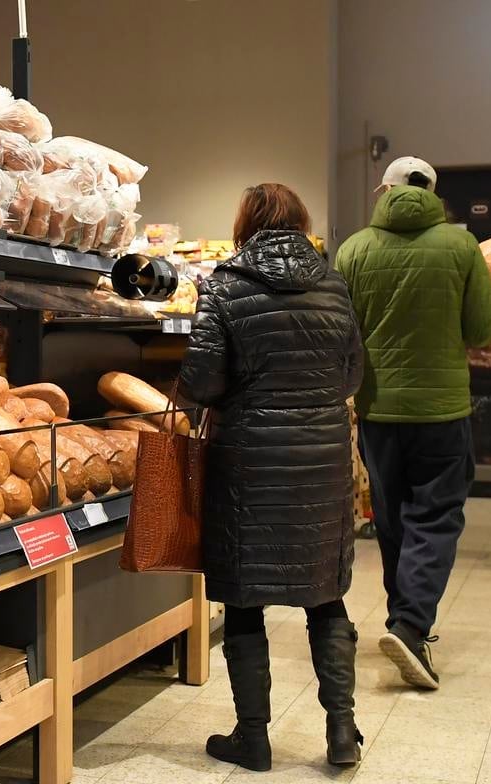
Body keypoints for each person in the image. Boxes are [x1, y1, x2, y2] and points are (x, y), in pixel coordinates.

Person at [180, 184, 364, 771]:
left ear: (245, 224)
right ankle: (340, 733)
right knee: (326, 597)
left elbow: (201, 382)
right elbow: (353, 373)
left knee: (243, 598)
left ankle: (252, 738)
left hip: (249, 463)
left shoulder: (224, 285)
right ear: (300, 223)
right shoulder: (333, 286)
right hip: (321, 460)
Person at [336, 156, 491, 689]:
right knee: (435, 517)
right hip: (442, 411)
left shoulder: (354, 249)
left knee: (393, 520)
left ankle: (404, 620)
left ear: (384, 190)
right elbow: (483, 330)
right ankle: (412, 626)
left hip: (377, 411)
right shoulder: (460, 246)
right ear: (434, 193)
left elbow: (343, 332)